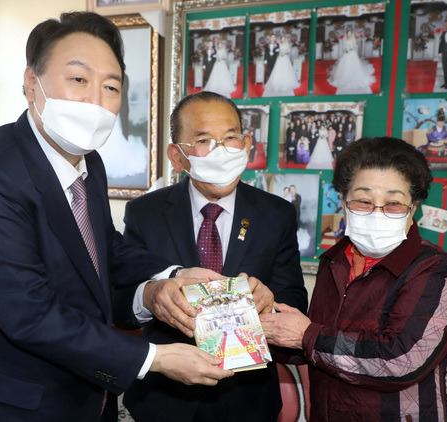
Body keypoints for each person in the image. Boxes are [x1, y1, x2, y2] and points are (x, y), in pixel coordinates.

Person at [0, 12, 237, 422]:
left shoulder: (91, 164)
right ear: (32, 84)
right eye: (78, 80)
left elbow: (105, 246)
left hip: (80, 398)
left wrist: (174, 274)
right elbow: (28, 314)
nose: (95, 101)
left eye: (111, 86)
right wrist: (153, 358)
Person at [115, 90, 308, 422]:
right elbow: (120, 304)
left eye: (231, 138)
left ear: (246, 143)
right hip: (163, 401)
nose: (221, 151)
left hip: (248, 401)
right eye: (204, 140)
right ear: (177, 156)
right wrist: (151, 297)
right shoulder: (145, 212)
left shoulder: (276, 214)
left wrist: (267, 302)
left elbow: (293, 300)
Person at [261, 137, 447, 421]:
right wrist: (263, 326)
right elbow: (323, 347)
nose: (377, 212)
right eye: (363, 201)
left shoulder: (434, 268)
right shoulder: (334, 261)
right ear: (344, 202)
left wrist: (306, 334)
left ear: (414, 208)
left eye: (393, 203)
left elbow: (400, 359)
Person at [327, 29, 375, 95]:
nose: (349, 34)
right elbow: (343, 45)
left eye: (350, 33)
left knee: (353, 64)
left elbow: (355, 45)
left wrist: (351, 49)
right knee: (345, 65)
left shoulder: (352, 38)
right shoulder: (345, 38)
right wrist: (345, 49)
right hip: (346, 53)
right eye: (348, 33)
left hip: (352, 52)